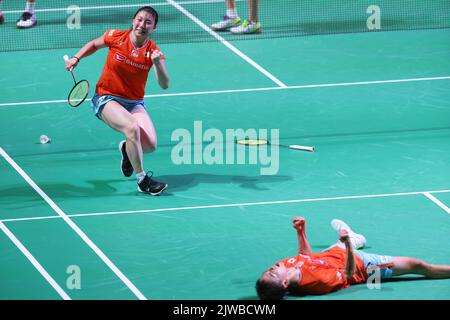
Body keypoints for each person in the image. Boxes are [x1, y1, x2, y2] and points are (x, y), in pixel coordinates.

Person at [65, 6, 169, 196]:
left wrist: (156, 64)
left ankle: (127, 150)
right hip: (106, 98)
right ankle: (142, 180)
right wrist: (76, 57)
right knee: (131, 128)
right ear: (133, 21)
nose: (142, 24)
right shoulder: (116, 36)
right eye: (139, 19)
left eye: (148, 22)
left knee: (150, 145)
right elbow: (95, 44)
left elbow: (164, 84)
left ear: (154, 28)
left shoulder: (153, 52)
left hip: (134, 103)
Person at [256, 216, 450, 300]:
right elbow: (348, 274)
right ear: (283, 283)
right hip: (363, 265)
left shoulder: (285, 266)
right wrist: (348, 245)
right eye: (272, 274)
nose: (271, 269)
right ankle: (351, 239)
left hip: (331, 254)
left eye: (267, 271)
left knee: (343, 241)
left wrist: (301, 232)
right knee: (417, 265)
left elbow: (305, 256)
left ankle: (353, 238)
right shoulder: (318, 282)